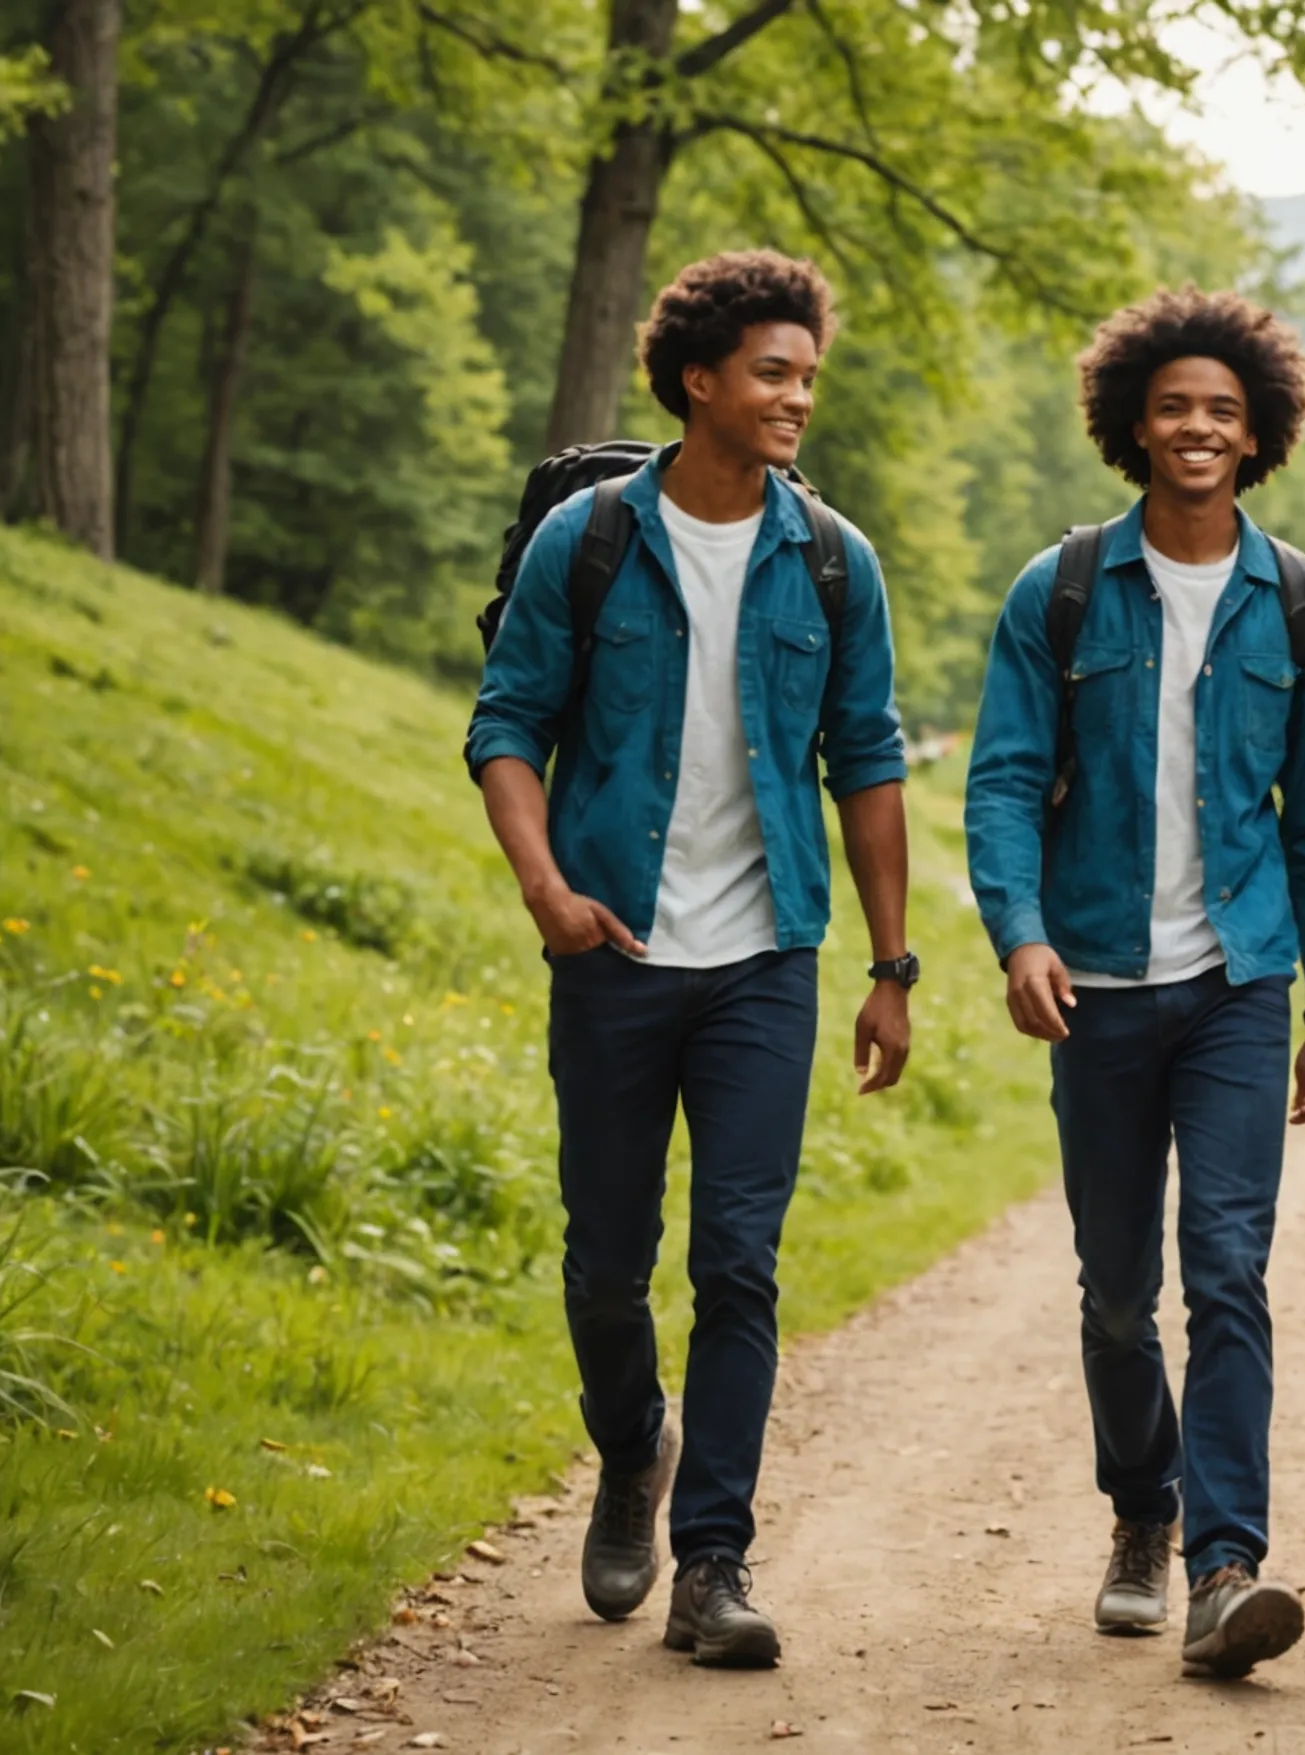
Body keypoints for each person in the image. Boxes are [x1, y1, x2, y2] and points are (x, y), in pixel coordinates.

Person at [465, 251, 914, 1669]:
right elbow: (506, 723)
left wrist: (891, 966)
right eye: (773, 373)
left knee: (740, 1257)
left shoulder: (833, 559)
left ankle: (713, 1558)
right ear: (699, 379)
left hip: (764, 958)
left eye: (807, 375)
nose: (797, 397)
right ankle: (630, 1448)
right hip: (610, 949)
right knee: (606, 1260)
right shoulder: (588, 539)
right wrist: (544, 886)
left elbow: (872, 760)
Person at [961, 286, 1305, 1677]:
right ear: (1135, 422)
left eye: (1224, 412)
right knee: (1119, 1290)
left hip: (1239, 980)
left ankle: (1225, 1560)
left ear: (1260, 437)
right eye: (1177, 405)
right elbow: (1006, 774)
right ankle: (1142, 1507)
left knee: (1229, 1271)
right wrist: (1018, 930)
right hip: (1103, 984)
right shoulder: (1061, 588)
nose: (1199, 428)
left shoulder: (1300, 604)